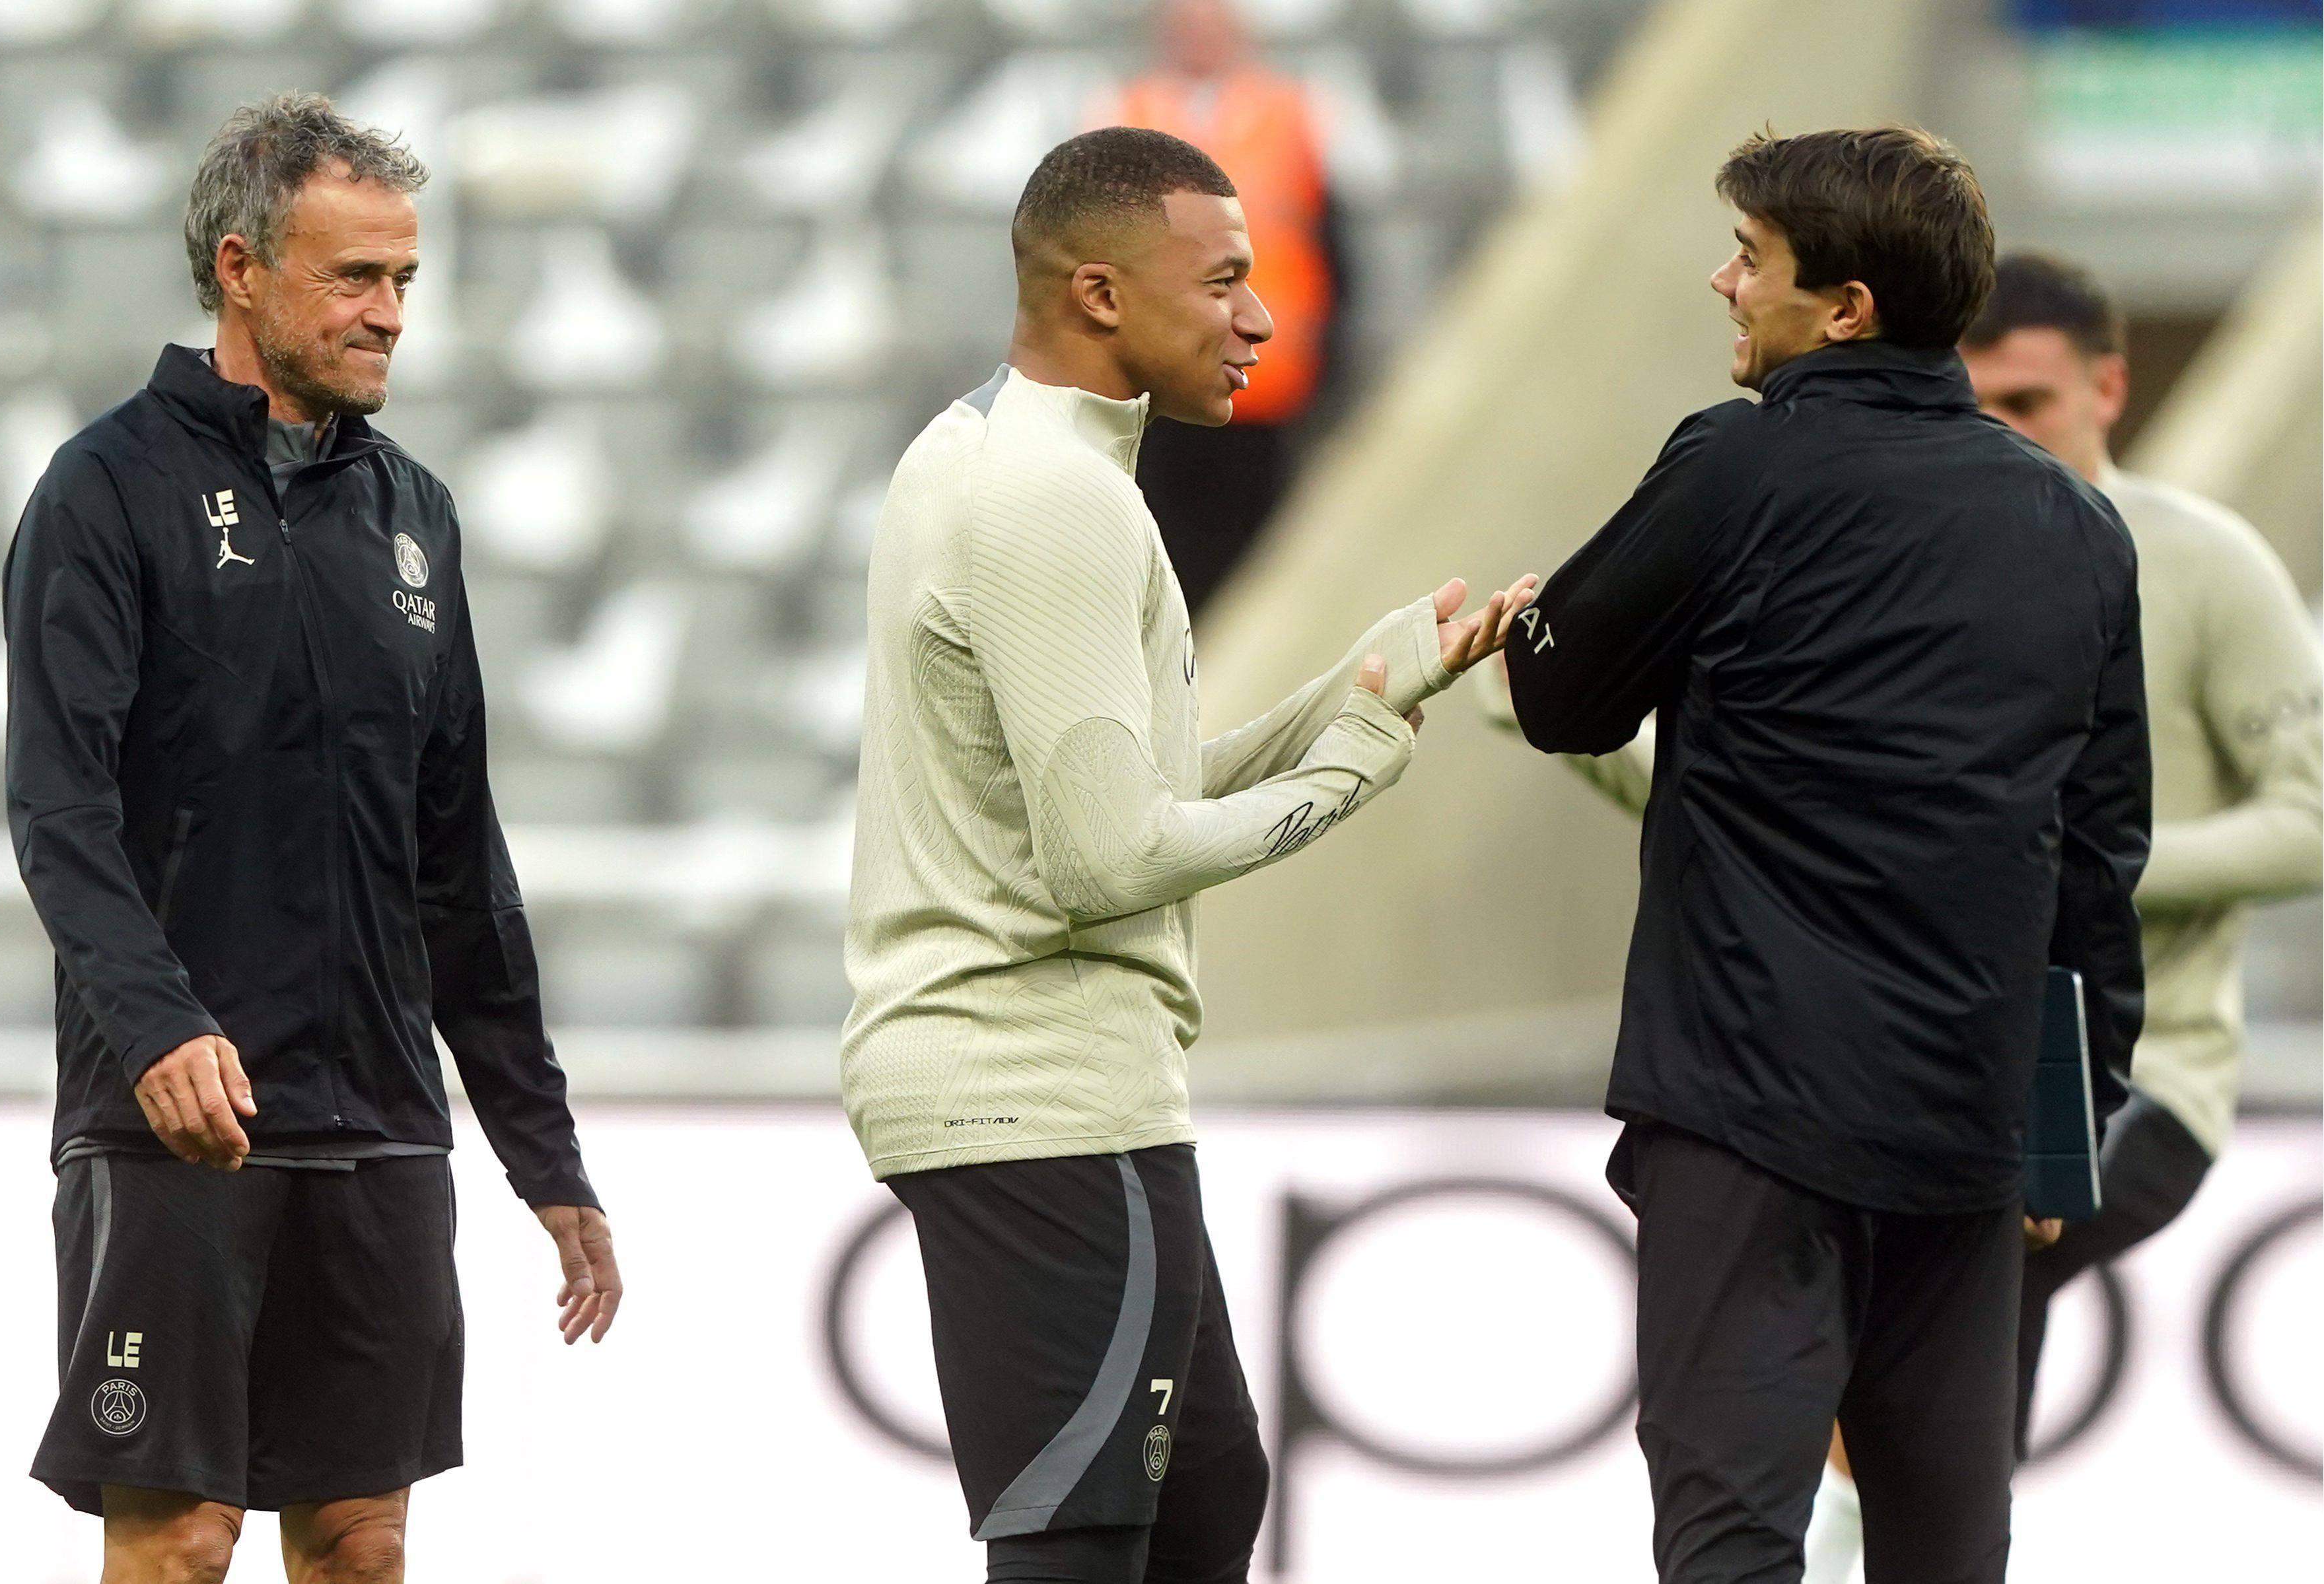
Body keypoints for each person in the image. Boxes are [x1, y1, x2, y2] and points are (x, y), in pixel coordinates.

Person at [1502, 251, 2324, 1584]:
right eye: (1979, 397)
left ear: (2111, 386)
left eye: (2034, 402)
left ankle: (1839, 1529)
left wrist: (2041, 865)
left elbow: (2309, 817)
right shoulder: (1911, 537)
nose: (2003, 431)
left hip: (2140, 1066)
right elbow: (1783, 807)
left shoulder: (2186, 561)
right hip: (1932, 1043)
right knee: (1922, 1396)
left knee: (1874, 1339)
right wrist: (1569, 728)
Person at [841, 125, 1532, 1584]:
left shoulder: (985, 449)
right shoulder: (1059, 498)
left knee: (1208, 1492)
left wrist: (1350, 692)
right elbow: (1106, 860)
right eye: (1224, 281)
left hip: (1037, 1082)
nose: (1265, 320)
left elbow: (1115, 798)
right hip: (1042, 1089)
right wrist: (1351, 773)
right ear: (1099, 294)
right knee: (1088, 1540)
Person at [2, 93, 621, 1584]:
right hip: (173, 1119)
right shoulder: (105, 492)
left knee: (358, 1538)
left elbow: (460, 858)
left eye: (404, 278)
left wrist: (543, 1144)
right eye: (355, 277)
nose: (390, 313)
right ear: (240, 269)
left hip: (382, 1121)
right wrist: (154, 1025)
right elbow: (59, 806)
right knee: (180, 1538)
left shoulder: (418, 520)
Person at [1110, 0, 1341, 612]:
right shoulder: (1129, 117)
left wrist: (1327, 362)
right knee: (1175, 559)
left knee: (1264, 559)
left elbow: (1331, 242)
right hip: (1164, 384)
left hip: (1267, 379)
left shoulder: (1287, 113)